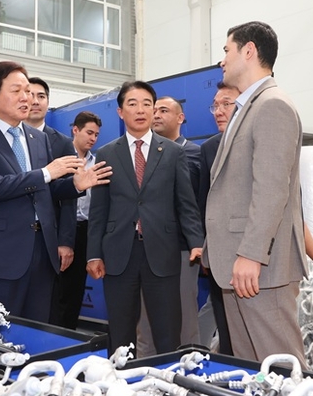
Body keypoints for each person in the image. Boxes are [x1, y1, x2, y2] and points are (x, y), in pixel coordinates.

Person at [0, 61, 112, 322]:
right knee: (1, 331)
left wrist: (75, 185)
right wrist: (46, 173)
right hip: (1, 256)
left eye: (28, 91)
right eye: (16, 90)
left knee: (38, 329)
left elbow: (46, 190)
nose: (26, 98)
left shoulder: (38, 138)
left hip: (43, 253)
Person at [202, 21, 308, 365]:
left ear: (248, 51)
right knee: (252, 369)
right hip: (237, 264)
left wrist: (251, 254)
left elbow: (271, 190)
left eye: (227, 50)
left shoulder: (272, 105)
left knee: (281, 367)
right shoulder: (246, 108)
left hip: (259, 266)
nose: (222, 60)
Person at [86, 81, 203, 356]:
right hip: (118, 253)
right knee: (121, 332)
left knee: (167, 330)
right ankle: (121, 376)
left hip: (162, 251)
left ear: (153, 110)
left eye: (147, 104)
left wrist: (196, 241)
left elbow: (186, 203)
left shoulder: (173, 152)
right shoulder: (106, 153)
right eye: (132, 104)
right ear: (120, 112)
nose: (140, 110)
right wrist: (94, 254)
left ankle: (166, 375)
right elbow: (99, 209)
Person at [135, 96, 202, 355]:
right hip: (147, 247)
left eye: (163, 110)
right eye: (154, 110)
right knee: (145, 321)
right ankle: (145, 368)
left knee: (185, 317)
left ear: (180, 117)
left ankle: (187, 368)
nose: (156, 115)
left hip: (183, 249)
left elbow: (197, 202)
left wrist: (199, 242)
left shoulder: (196, 153)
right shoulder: (141, 153)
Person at [198, 81, 240, 355]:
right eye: (215, 106)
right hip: (218, 255)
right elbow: (205, 203)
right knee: (225, 330)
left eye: (226, 104)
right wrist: (207, 249)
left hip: (254, 255)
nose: (219, 111)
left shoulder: (259, 139)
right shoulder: (209, 148)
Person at [52, 111, 102, 329]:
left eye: (96, 135)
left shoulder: (97, 163)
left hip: (86, 231)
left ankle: (70, 334)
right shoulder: (61, 161)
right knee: (58, 291)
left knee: (76, 290)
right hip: (62, 230)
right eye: (89, 133)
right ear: (75, 130)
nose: (93, 138)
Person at [26, 77, 77, 276]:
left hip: (49, 235)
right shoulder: (8, 139)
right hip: (13, 234)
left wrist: (65, 241)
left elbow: (69, 197)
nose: (35, 101)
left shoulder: (63, 143)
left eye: (41, 96)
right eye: (30, 95)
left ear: (48, 102)